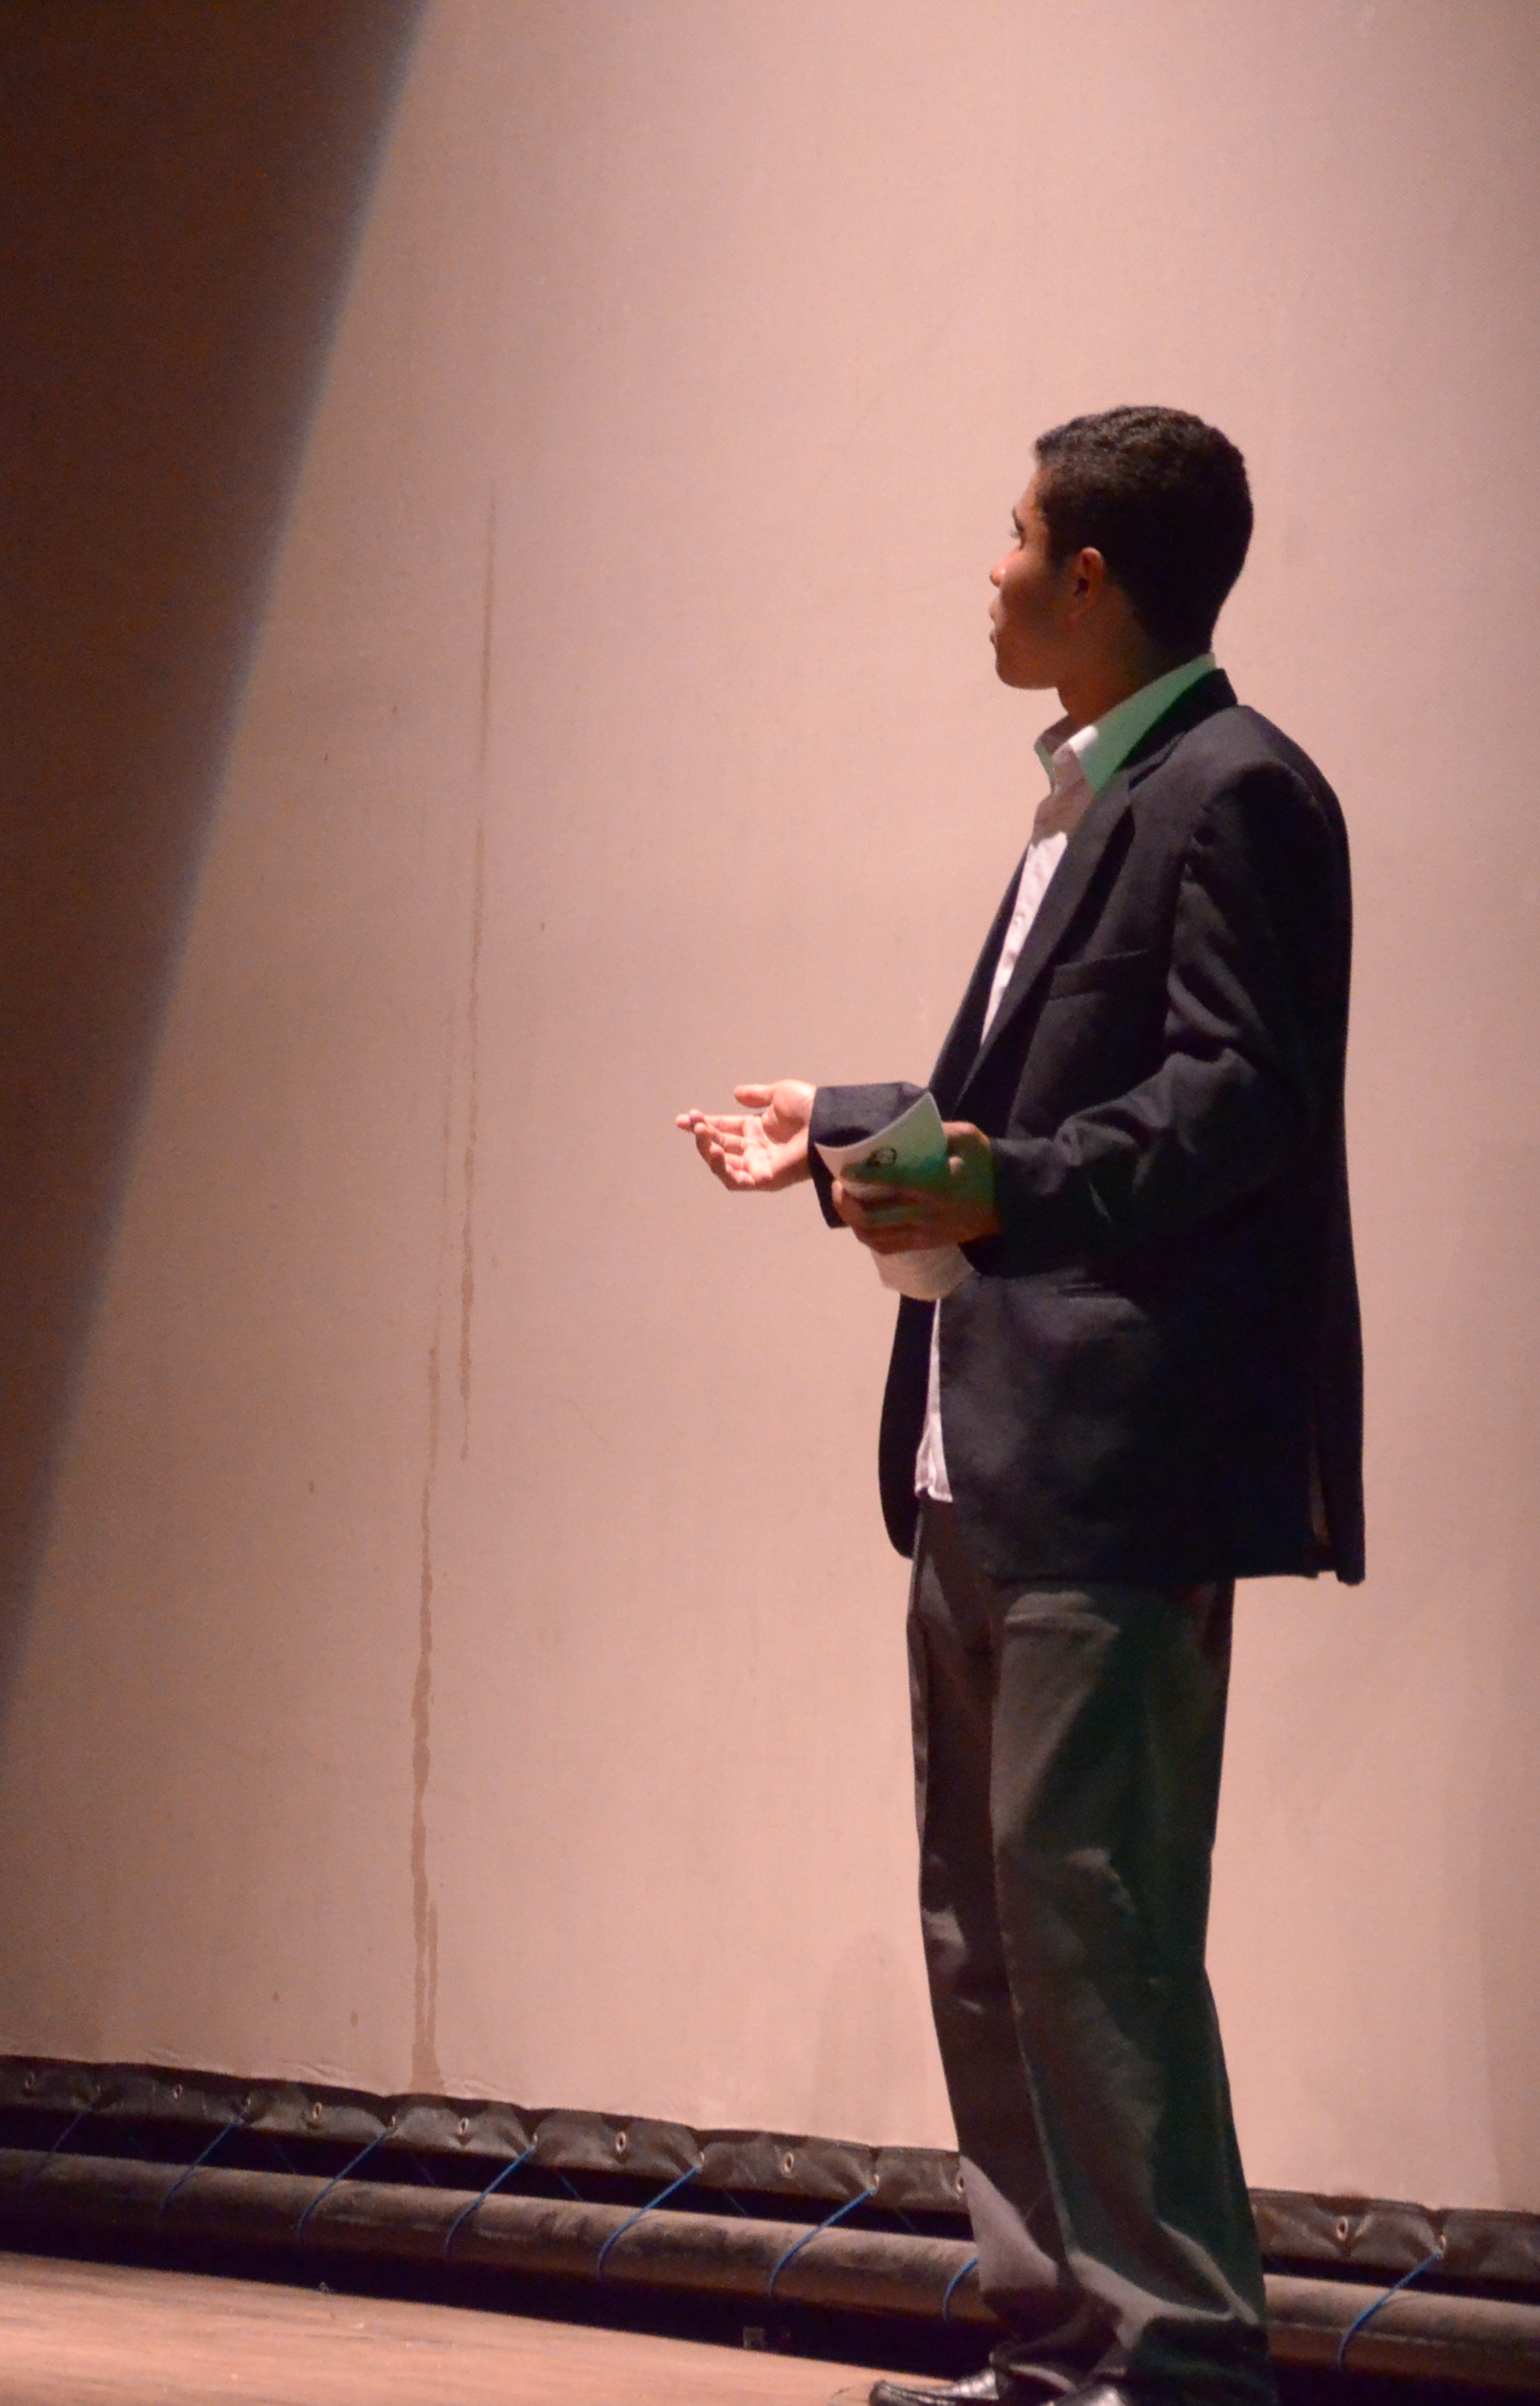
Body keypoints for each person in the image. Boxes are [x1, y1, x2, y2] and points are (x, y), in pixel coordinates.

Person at [681, 408, 1357, 2406]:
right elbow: (1031, 1100)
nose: (986, 571)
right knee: (985, 1921)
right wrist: (851, 1126)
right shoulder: (1088, 794)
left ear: (1092, 575)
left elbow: (1236, 1105)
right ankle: (1059, 2340)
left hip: (1113, 1461)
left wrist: (1007, 1185)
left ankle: (1177, 2354)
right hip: (982, 1445)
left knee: (1093, 1917)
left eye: (1014, 535)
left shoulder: (1236, 790)